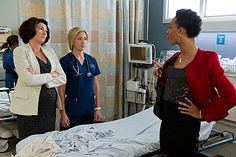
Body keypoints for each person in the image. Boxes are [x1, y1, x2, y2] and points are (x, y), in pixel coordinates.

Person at [153, 9, 236, 157]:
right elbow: (176, 82)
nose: (167, 31)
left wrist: (201, 113)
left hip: (186, 125)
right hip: (167, 123)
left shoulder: (207, 59)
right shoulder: (174, 59)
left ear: (181, 31)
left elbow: (231, 96)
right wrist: (162, 74)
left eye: (170, 27)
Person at [10, 17, 66, 140]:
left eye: (46, 29)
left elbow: (63, 78)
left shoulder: (49, 51)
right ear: (30, 30)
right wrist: (51, 75)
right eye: (41, 28)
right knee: (30, 143)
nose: (45, 32)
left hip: (49, 107)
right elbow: (28, 80)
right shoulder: (20, 51)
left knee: (46, 141)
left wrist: (38, 78)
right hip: (28, 108)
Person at [58, 27, 102, 130]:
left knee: (88, 140)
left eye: (85, 38)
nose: (83, 42)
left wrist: (98, 108)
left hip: (89, 109)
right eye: (79, 38)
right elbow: (61, 89)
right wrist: (63, 113)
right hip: (72, 110)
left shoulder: (92, 60)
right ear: (72, 40)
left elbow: (96, 86)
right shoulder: (65, 61)